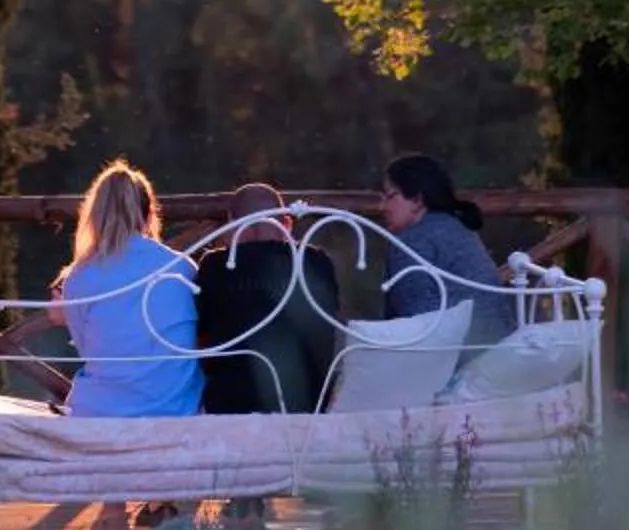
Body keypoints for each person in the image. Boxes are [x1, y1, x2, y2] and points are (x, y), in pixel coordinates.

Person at [55, 161, 201, 418]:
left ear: (94, 215)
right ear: (148, 214)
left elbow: (88, 349)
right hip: (176, 408)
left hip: (102, 411)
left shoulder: (80, 277)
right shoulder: (182, 268)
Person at [197, 183, 342, 414]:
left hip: (231, 408)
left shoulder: (214, 267)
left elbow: (201, 342)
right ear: (287, 222)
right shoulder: (316, 262)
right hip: (309, 407)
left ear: (232, 226)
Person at [375, 153, 513, 345]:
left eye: (390, 196)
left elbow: (414, 331)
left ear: (417, 200)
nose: (382, 207)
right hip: (498, 346)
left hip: (456, 359)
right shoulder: (458, 227)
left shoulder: (411, 243)